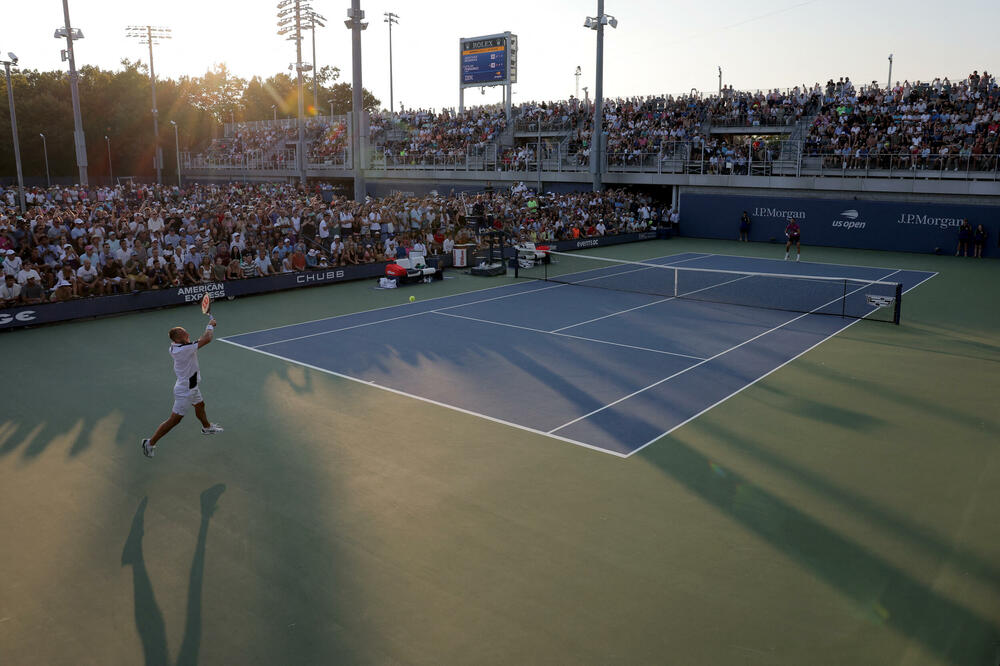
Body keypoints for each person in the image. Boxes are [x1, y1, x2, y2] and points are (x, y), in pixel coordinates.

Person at [141, 317, 224, 458]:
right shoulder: (183, 349)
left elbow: (196, 342)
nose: (188, 335)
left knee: (200, 405)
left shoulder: (178, 346)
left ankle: (207, 427)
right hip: (185, 390)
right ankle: (149, 443)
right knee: (174, 420)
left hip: (191, 384)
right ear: (178, 339)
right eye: (185, 334)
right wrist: (210, 326)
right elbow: (207, 339)